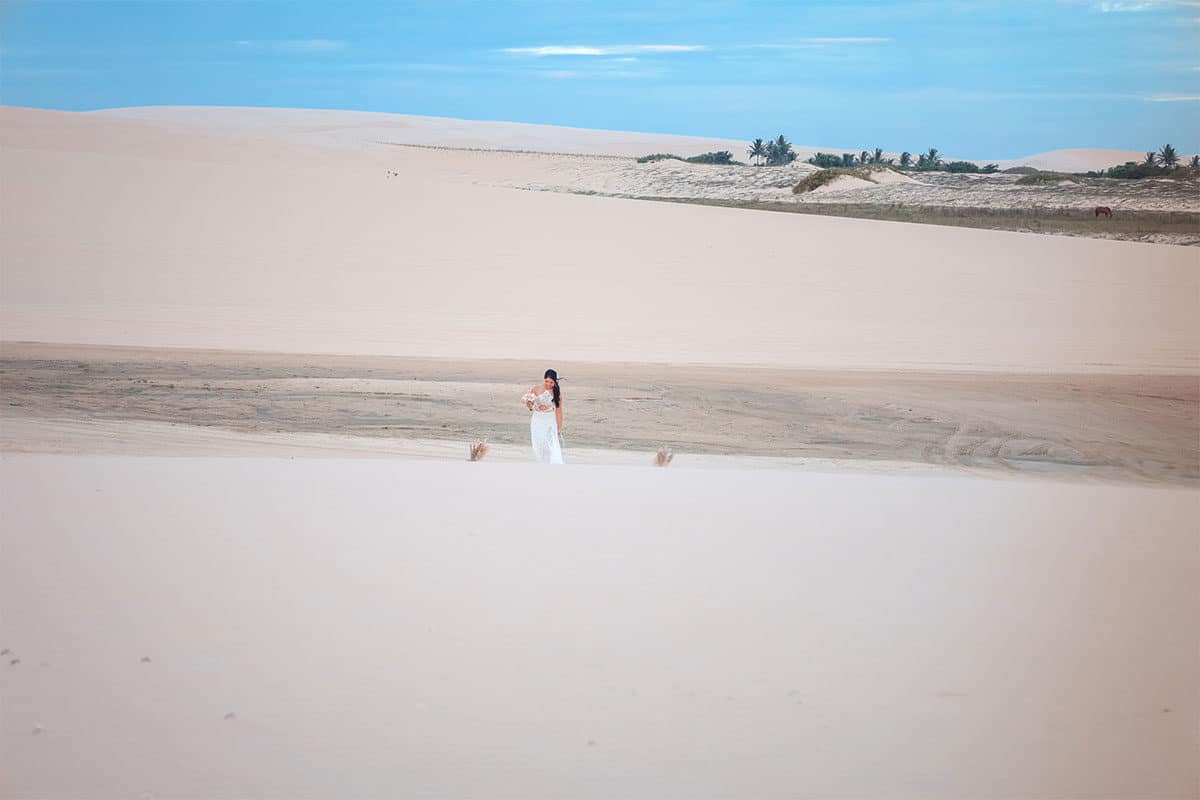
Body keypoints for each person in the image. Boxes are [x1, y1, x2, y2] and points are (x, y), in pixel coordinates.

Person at [524, 369, 564, 464]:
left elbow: (559, 412)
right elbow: (530, 407)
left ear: (555, 382)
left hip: (550, 420)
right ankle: (541, 464)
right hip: (537, 420)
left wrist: (559, 428)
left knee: (550, 444)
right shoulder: (536, 389)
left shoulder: (557, 394)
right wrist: (530, 404)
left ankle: (552, 465)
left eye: (551, 382)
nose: (548, 384)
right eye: (546, 381)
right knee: (538, 443)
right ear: (544, 379)